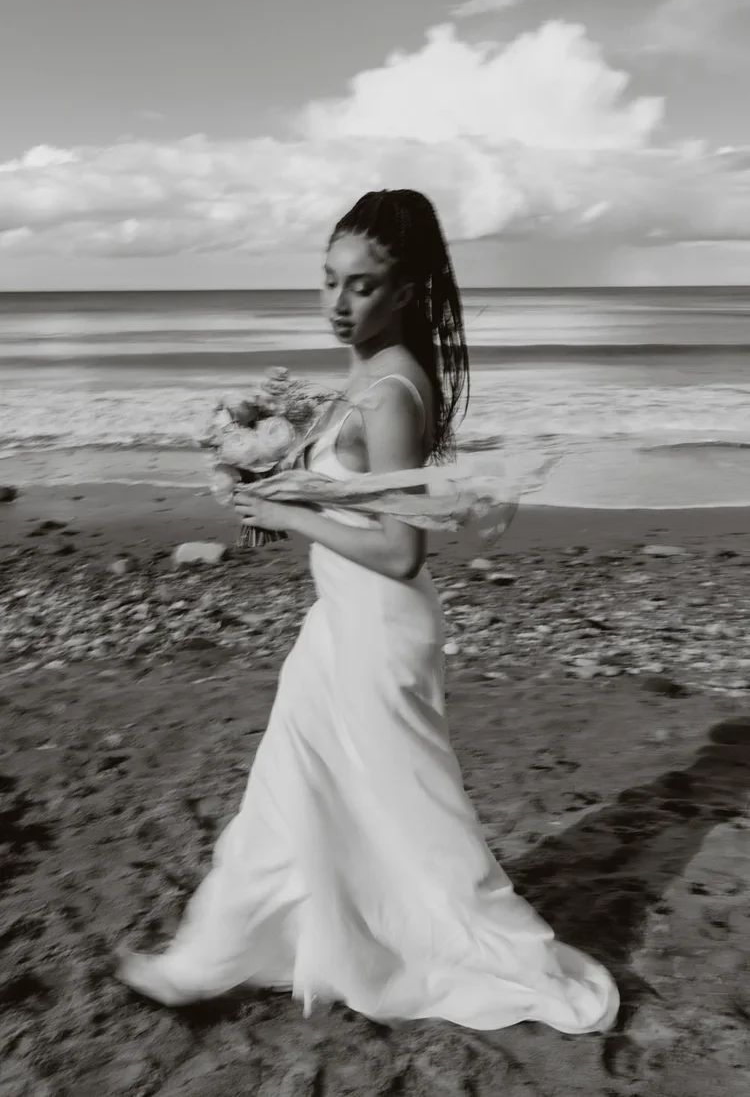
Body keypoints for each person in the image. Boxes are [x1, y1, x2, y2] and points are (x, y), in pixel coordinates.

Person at [117, 189, 619, 1034]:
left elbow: (401, 548)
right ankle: (205, 960)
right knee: (288, 792)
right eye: (328, 281)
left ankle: (507, 960)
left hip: (382, 632)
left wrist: (286, 513)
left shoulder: (392, 392)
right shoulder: (364, 374)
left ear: (409, 289)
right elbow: (348, 509)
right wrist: (271, 494)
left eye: (361, 285)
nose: (337, 304)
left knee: (418, 818)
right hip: (339, 625)